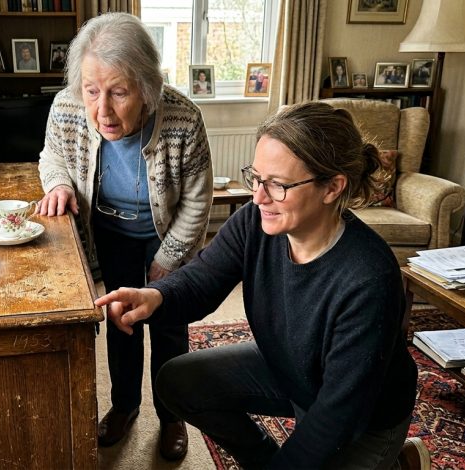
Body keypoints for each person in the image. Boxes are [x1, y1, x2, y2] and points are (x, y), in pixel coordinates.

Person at [95, 102, 425, 468]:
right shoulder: (254, 222)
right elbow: (203, 279)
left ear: (332, 187)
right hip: (292, 372)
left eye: (278, 185)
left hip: (363, 419)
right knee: (176, 381)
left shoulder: (369, 278)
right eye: (256, 177)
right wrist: (155, 296)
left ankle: (400, 461)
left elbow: (338, 416)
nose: (258, 197)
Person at [37, 12, 213, 461]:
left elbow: (197, 200)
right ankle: (125, 406)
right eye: (92, 91)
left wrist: (168, 261)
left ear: (148, 88)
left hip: (167, 233)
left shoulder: (183, 120)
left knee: (170, 328)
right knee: (122, 324)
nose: (103, 110)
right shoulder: (68, 108)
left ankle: (172, 417)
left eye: (119, 92)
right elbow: (51, 155)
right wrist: (57, 183)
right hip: (109, 233)